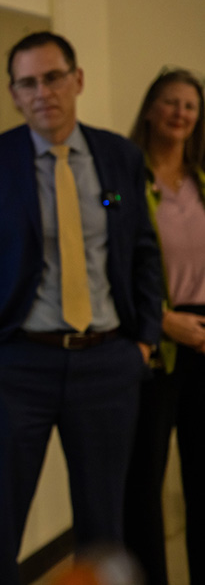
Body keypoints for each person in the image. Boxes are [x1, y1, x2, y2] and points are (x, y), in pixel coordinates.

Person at [0, 31, 162, 585]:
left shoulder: (120, 157)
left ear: (77, 79)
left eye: (54, 77)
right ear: (14, 93)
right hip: (15, 366)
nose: (43, 92)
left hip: (108, 364)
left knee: (105, 528)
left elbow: (142, 251)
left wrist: (145, 341)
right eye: (28, 82)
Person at [123, 68, 205, 585]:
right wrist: (161, 320)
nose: (180, 113)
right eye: (170, 102)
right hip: (155, 340)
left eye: (190, 106)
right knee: (143, 486)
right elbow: (110, 265)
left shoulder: (203, 182)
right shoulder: (125, 181)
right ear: (151, 109)